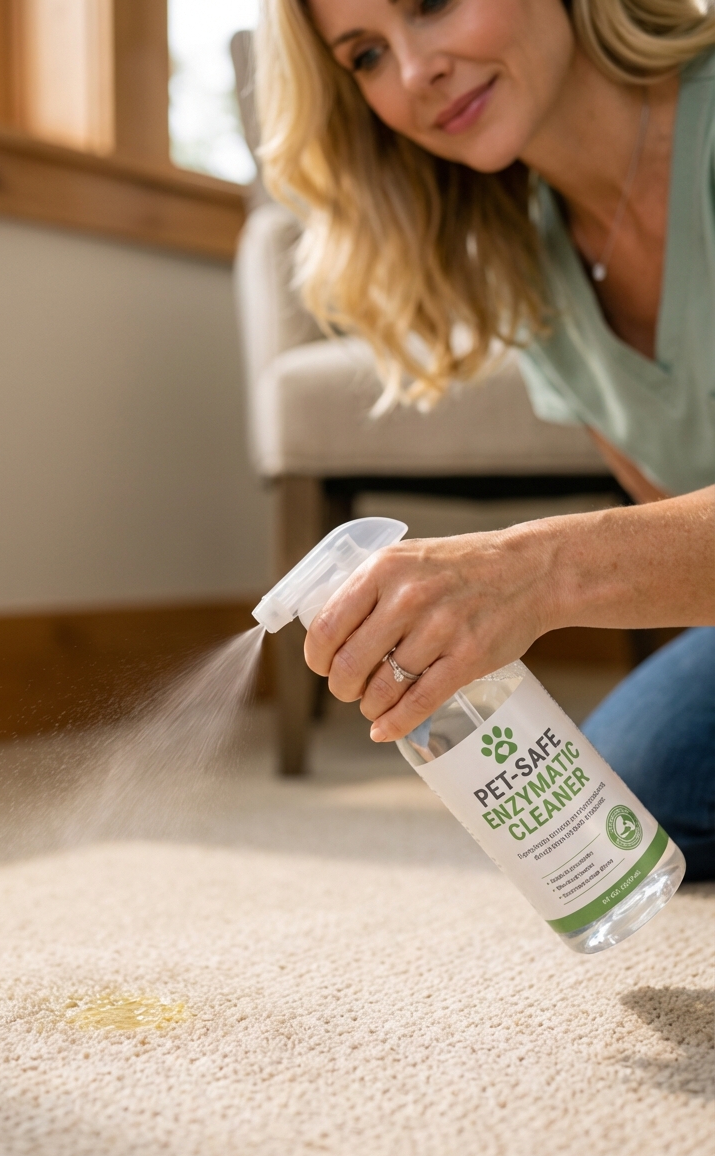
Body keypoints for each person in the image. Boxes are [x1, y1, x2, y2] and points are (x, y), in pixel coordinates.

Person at [255, 0, 715, 878]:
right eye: (365, 56)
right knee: (633, 786)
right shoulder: (529, 258)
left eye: (430, 4)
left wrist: (538, 570)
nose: (414, 72)